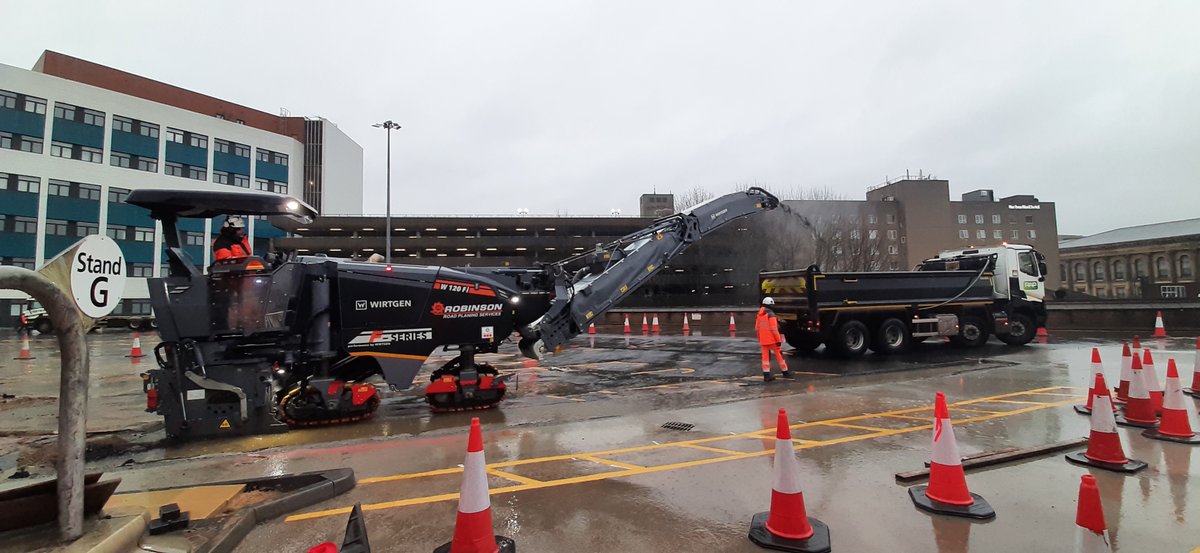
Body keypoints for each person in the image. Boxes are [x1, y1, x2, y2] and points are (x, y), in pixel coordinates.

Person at [756, 297, 793, 381]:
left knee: (765, 358)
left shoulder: (759, 314)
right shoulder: (771, 314)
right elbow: (774, 329)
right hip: (772, 340)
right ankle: (785, 372)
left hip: (763, 340)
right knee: (779, 356)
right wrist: (778, 340)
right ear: (770, 305)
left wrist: (760, 339)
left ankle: (766, 375)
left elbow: (757, 328)